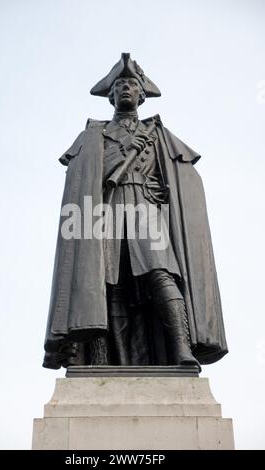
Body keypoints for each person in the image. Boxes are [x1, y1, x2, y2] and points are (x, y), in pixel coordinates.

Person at [43, 53, 228, 371]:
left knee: (161, 274)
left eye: (132, 83)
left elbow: (182, 177)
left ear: (142, 94)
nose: (126, 88)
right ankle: (100, 359)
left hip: (146, 209)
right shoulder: (93, 135)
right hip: (105, 211)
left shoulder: (157, 135)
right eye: (120, 85)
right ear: (111, 95)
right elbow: (80, 180)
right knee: (104, 283)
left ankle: (182, 348)